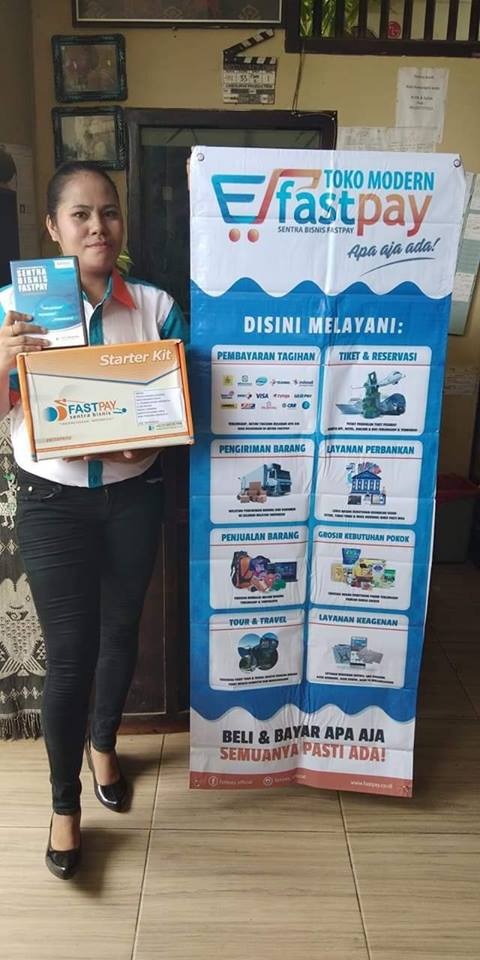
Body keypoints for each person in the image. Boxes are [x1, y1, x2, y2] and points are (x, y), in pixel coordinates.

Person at [0, 161, 188, 880]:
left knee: (121, 632)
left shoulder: (155, 307)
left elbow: (185, 401)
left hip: (134, 497)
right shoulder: (15, 309)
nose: (97, 227)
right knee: (71, 654)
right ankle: (63, 806)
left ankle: (104, 745)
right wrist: (2, 359)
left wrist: (157, 438)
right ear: (53, 227)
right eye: (80, 214)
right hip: (53, 501)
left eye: (108, 212)